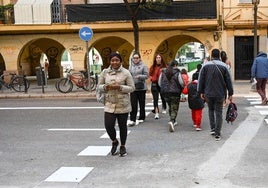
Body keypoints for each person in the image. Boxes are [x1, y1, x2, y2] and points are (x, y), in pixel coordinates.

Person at [97, 52, 135, 157]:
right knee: (108, 126)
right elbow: (98, 86)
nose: (114, 62)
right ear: (110, 61)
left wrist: (120, 87)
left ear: (120, 61)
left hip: (123, 103)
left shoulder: (126, 73)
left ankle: (123, 146)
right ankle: (114, 141)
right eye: (112, 60)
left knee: (123, 126)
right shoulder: (105, 72)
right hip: (109, 103)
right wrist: (105, 87)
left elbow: (132, 88)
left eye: (117, 60)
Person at [198, 49, 233, 141]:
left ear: (211, 55)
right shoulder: (224, 66)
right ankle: (218, 133)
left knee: (210, 110)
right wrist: (230, 93)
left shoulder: (205, 66)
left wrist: (200, 91)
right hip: (220, 93)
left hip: (208, 93)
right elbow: (229, 81)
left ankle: (212, 129)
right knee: (219, 112)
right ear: (219, 56)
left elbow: (201, 80)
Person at [159, 60, 183, 132]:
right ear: (175, 65)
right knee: (174, 107)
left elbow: (159, 83)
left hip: (165, 93)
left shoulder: (163, 72)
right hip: (175, 92)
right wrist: (181, 88)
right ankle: (172, 121)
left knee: (170, 106)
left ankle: (173, 120)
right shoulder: (177, 73)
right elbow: (181, 82)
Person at [128, 52, 149, 126]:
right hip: (133, 87)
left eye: (137, 58)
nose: (135, 59)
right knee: (133, 104)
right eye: (134, 58)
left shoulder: (143, 66)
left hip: (141, 87)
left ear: (139, 58)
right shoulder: (130, 66)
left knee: (141, 103)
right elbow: (128, 75)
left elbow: (146, 76)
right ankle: (132, 118)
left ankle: (142, 117)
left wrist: (140, 76)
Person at [149, 53, 167, 119]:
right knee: (155, 99)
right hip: (154, 83)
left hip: (162, 84)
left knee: (163, 97)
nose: (158, 59)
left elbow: (167, 75)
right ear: (155, 59)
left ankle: (164, 107)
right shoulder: (153, 66)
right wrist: (151, 78)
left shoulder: (164, 66)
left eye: (159, 57)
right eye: (157, 58)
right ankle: (156, 113)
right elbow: (150, 74)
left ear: (161, 59)